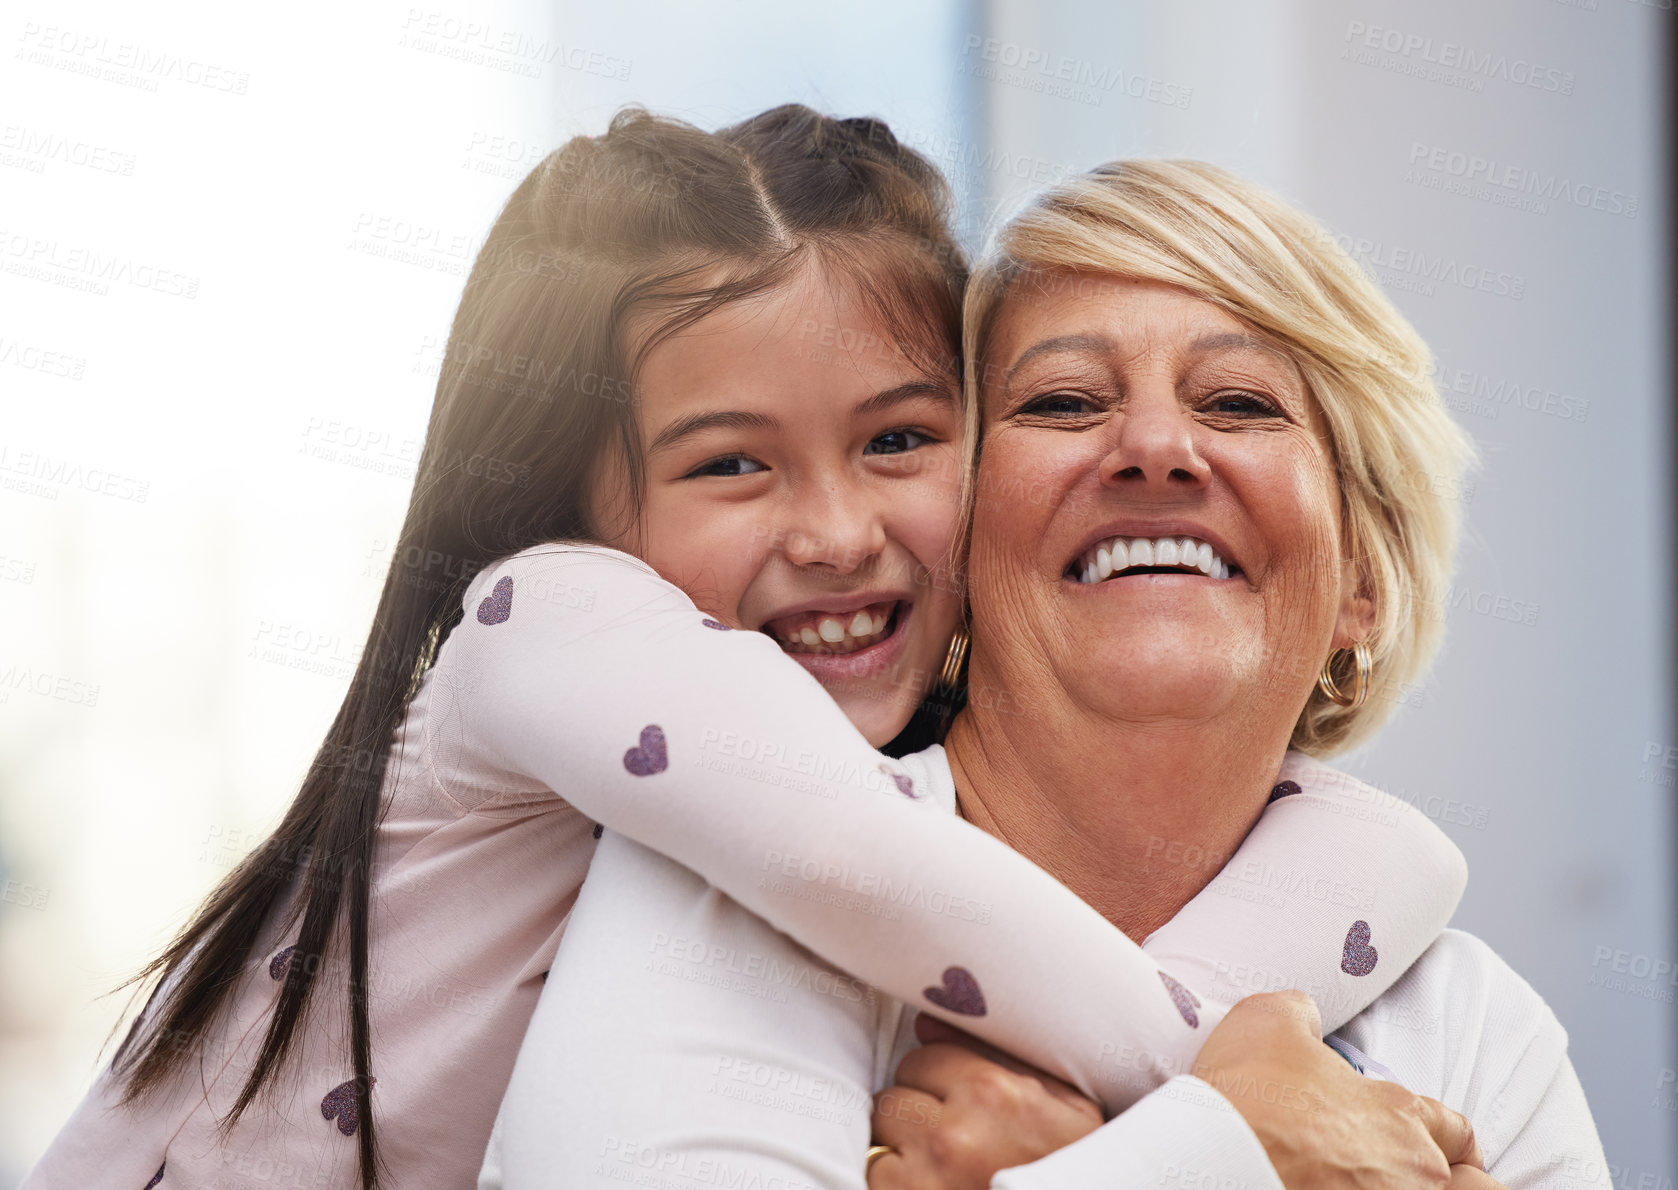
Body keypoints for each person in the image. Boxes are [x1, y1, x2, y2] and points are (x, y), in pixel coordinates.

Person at [21, 113, 1464, 1190]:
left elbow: (1386, 859)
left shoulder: (865, 754)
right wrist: (1224, 1101)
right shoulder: (548, 623)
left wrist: (1230, 1063)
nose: (835, 532)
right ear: (588, 496)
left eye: (899, 440)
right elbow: (862, 866)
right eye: (728, 465)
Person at [485, 161, 1608, 1190]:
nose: (1157, 446)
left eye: (1240, 403)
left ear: (1361, 577)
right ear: (964, 541)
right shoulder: (729, 877)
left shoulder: (1478, 1031)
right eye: (1063, 402)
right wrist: (1224, 1152)